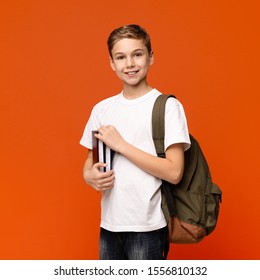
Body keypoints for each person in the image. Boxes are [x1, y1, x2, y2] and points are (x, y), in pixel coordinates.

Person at [80, 24, 190, 260]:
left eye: (137, 54)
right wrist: (89, 176)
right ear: (112, 63)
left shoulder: (167, 107)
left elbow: (174, 172)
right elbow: (90, 161)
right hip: (109, 225)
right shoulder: (102, 109)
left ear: (151, 57)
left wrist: (121, 145)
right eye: (121, 57)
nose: (129, 64)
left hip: (148, 227)